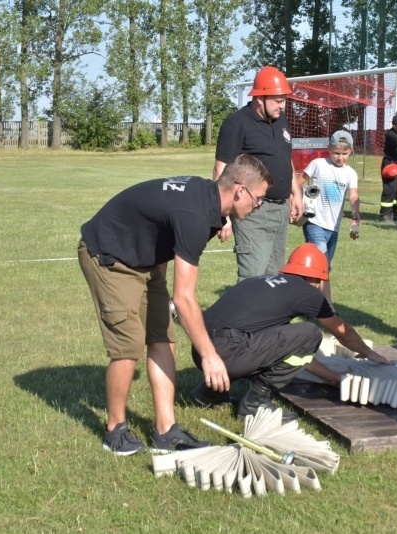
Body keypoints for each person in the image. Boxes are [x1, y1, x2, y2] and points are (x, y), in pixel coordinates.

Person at [78, 154, 272, 456]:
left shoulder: (210, 205)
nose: (258, 206)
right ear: (239, 190)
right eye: (258, 199)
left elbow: (165, 231)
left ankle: (166, 431)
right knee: (127, 346)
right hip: (109, 256)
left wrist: (156, 283)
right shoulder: (196, 214)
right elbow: (184, 298)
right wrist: (209, 355)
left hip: (147, 262)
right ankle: (114, 430)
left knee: (163, 337)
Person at [190, 243, 390, 422]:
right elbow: (342, 332)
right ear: (315, 278)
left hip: (202, 350)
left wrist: (332, 377)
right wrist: (370, 353)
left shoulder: (264, 281)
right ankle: (255, 404)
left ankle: (209, 393)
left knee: (265, 336)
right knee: (310, 333)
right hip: (227, 355)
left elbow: (283, 349)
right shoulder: (307, 292)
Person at [214, 65, 303, 282]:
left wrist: (296, 193)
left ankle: (270, 317)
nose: (282, 106)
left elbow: (285, 159)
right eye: (278, 100)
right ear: (260, 97)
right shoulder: (236, 124)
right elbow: (221, 170)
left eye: (284, 100)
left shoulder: (281, 120)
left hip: (280, 211)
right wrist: (221, 215)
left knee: (274, 279)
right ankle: (240, 316)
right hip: (252, 213)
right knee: (251, 279)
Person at [300, 130, 360, 308]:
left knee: (322, 267)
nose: (340, 157)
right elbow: (298, 182)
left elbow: (354, 195)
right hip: (314, 222)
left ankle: (303, 301)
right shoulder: (318, 164)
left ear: (350, 151)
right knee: (322, 264)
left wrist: (356, 216)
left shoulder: (350, 174)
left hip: (333, 227)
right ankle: (327, 308)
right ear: (328, 149)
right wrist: (298, 201)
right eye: (336, 153)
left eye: (344, 153)